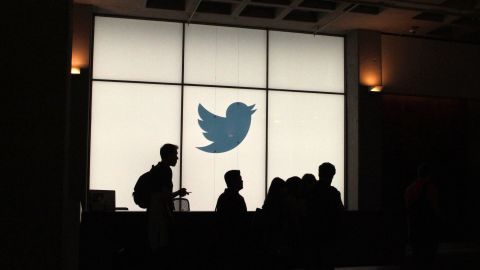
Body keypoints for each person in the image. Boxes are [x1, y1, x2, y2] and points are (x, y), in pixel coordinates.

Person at [147, 143, 189, 269]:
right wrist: (179, 193)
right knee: (162, 249)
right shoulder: (165, 170)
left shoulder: (157, 169)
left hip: (153, 214)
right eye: (175, 154)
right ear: (169, 155)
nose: (177, 158)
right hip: (160, 215)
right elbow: (165, 196)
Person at [307, 162, 344, 270]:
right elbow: (340, 212)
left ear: (319, 173)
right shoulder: (333, 193)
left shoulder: (311, 191)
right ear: (332, 175)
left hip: (312, 234)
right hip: (329, 234)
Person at [405, 163, 440, 270]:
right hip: (428, 228)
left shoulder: (410, 189)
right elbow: (435, 208)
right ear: (429, 174)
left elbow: (408, 209)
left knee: (417, 255)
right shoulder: (432, 189)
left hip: (415, 226)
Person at [215, 170, 248, 270]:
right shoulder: (238, 199)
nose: (242, 181)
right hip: (236, 240)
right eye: (240, 179)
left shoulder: (222, 198)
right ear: (234, 182)